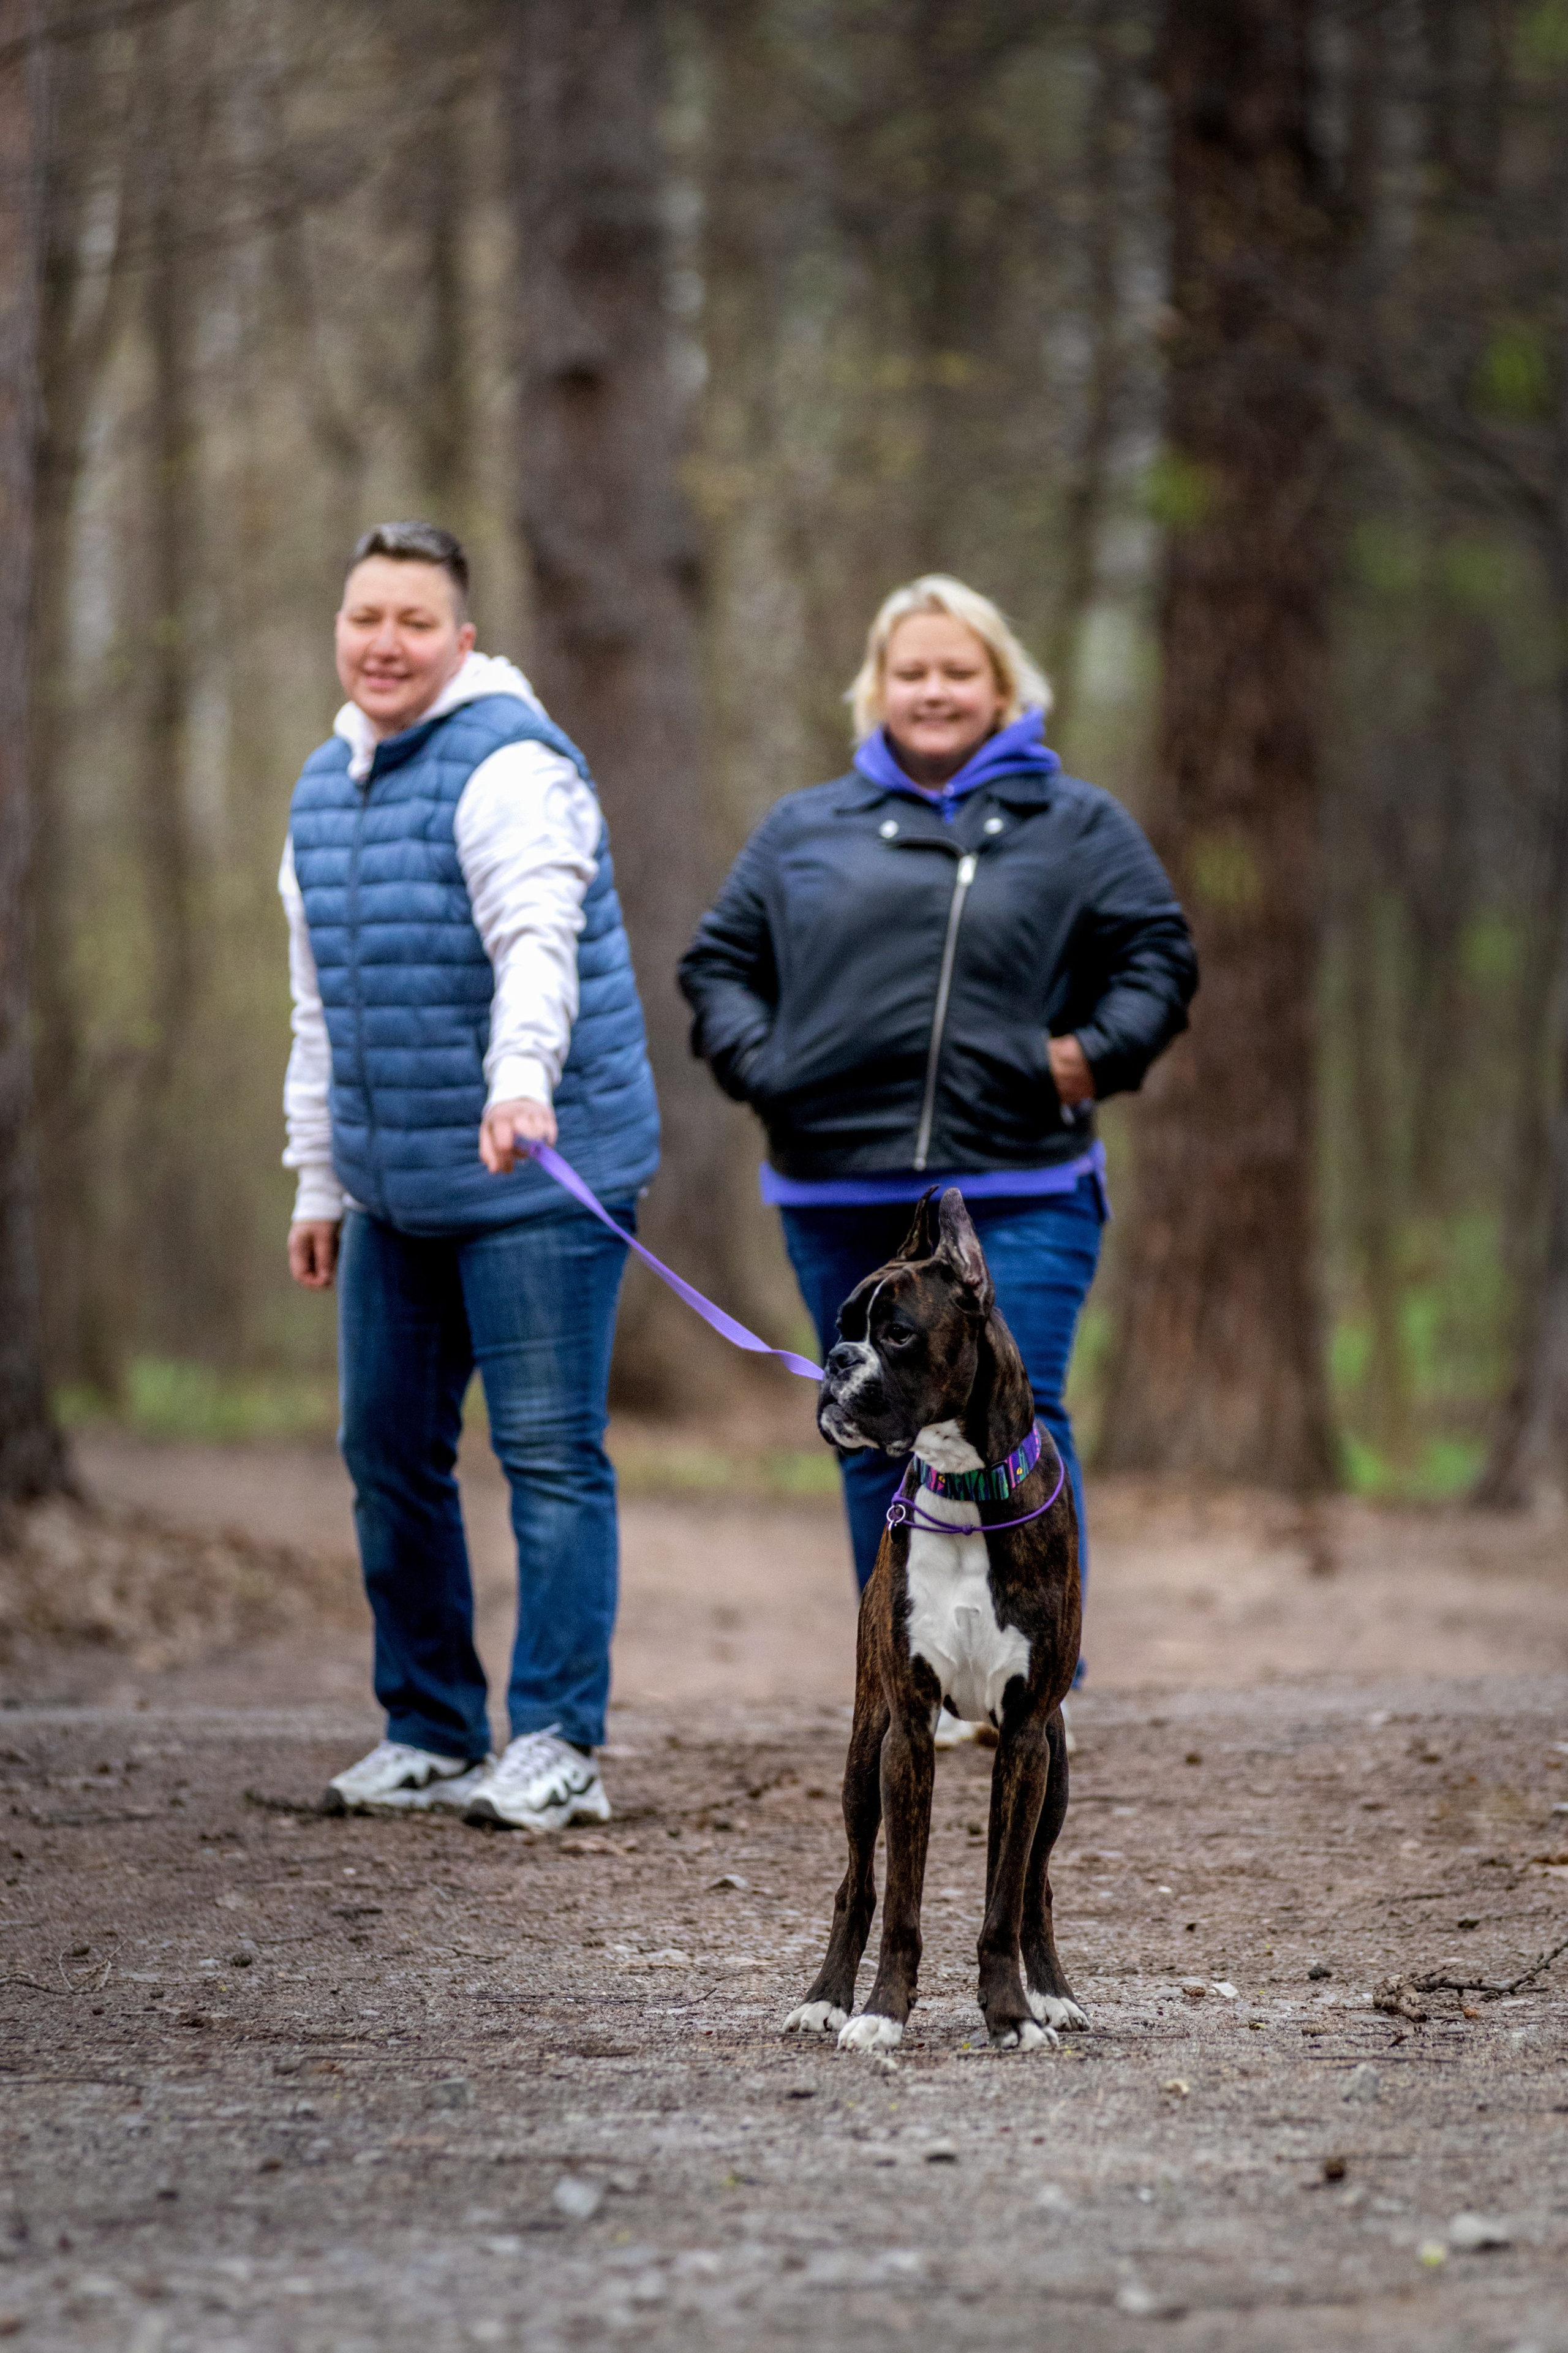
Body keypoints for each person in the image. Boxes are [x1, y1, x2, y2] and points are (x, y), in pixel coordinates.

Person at [679, 575, 1196, 1734]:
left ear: (1004, 687)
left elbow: (1158, 958)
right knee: (873, 1428)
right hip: (837, 1184)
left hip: (1021, 1180)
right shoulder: (804, 828)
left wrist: (1083, 1057)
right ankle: (909, 1676)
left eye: (958, 670)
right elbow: (717, 967)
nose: (934, 690)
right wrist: (770, 1065)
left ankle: (1032, 1680)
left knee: (1021, 1414)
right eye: (910, 671)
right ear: (877, 688)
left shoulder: (1080, 826)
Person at [281, 521, 658, 1828]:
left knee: (548, 1457)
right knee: (385, 1448)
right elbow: (319, 1010)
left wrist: (520, 1080)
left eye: (414, 620)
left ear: (463, 640)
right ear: (339, 632)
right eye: (364, 617)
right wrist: (318, 1182)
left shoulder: (509, 768)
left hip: (541, 1166)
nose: (385, 642)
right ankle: (431, 1722)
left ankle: (557, 1738)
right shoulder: (323, 791)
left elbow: (537, 945)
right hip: (395, 1188)